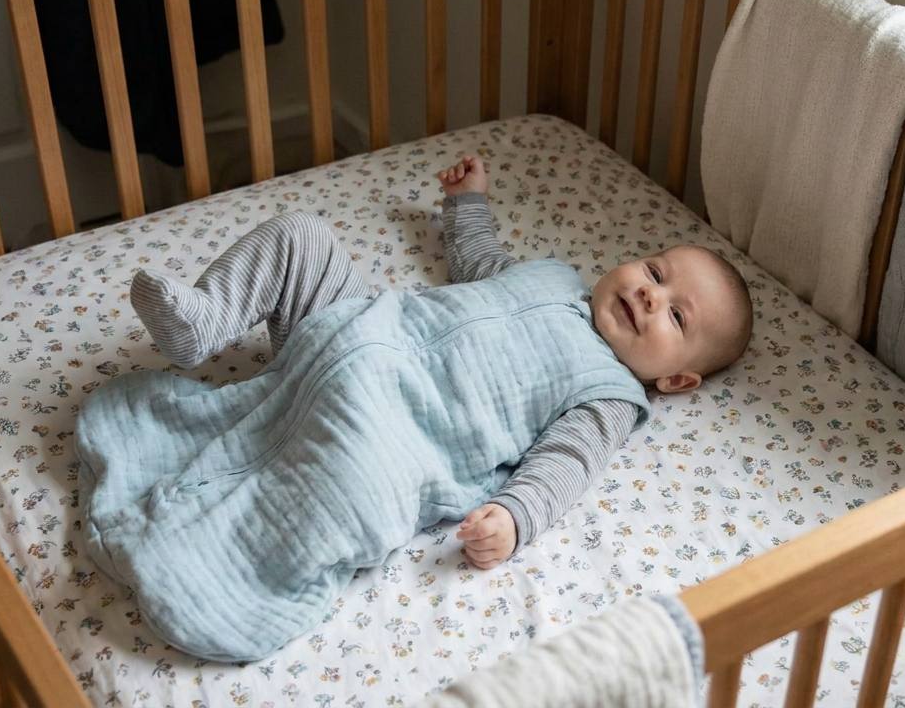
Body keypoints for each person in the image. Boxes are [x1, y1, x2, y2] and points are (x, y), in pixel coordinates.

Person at [74, 155, 752, 660]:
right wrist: (468, 202)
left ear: (676, 380)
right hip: (350, 328)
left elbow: (565, 467)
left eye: (676, 316)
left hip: (394, 431)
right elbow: (477, 259)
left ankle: (231, 564)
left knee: (352, 492)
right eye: (655, 272)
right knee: (302, 236)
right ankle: (202, 320)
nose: (650, 296)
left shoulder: (610, 395)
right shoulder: (553, 275)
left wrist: (515, 519)